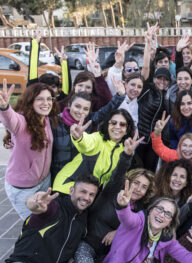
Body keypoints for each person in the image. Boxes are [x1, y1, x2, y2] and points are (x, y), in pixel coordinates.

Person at [75, 135, 151, 263]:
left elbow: (138, 229)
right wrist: (127, 154)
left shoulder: (140, 209)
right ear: (128, 182)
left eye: (143, 187)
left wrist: (119, 231)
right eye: (136, 183)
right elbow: (118, 172)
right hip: (89, 244)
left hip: (110, 255)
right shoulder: (113, 190)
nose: (138, 189)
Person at [5, 175, 100, 263]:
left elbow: (68, 245)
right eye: (83, 191)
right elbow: (36, 206)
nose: (86, 197)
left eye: (92, 194)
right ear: (71, 190)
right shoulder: (55, 207)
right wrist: (34, 202)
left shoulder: (83, 220)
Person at [0, 81, 59, 219]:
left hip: (44, 182)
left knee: (45, 219)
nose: (46, 103)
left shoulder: (46, 120)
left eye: (49, 99)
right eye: (40, 99)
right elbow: (10, 119)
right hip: (22, 188)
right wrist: (4, 108)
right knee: (32, 224)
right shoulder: (22, 122)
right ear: (30, 101)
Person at [51, 75, 126, 179]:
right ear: (69, 105)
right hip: (57, 174)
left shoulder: (88, 121)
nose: (81, 112)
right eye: (77, 106)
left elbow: (107, 109)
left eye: (85, 109)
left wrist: (120, 95)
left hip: (79, 176)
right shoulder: (54, 122)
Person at [52, 109, 136, 194]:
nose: (117, 126)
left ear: (127, 130)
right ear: (107, 125)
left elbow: (114, 178)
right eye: (113, 122)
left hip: (87, 193)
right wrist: (79, 138)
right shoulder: (98, 138)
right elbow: (87, 142)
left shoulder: (124, 150)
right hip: (66, 188)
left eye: (122, 124)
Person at [154, 159, 192, 226]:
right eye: (174, 175)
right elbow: (166, 226)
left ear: (186, 183)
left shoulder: (186, 200)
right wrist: (186, 208)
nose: (177, 179)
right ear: (168, 177)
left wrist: (188, 207)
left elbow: (176, 228)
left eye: (182, 177)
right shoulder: (157, 195)